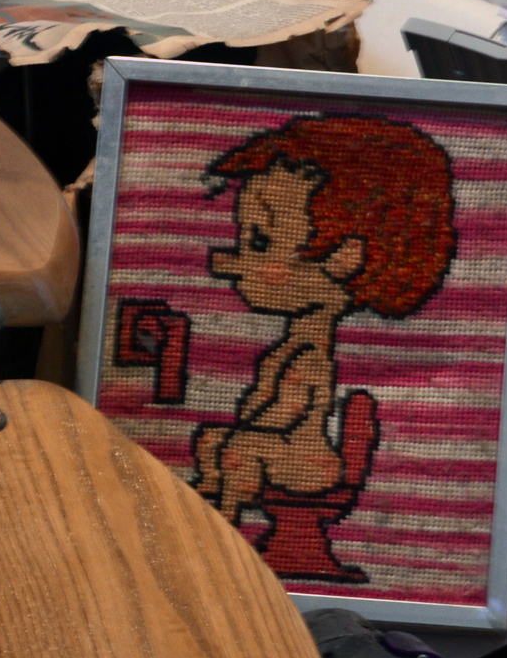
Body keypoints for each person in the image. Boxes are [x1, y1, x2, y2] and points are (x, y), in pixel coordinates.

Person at [189, 112, 458, 532]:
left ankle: (223, 525)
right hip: (281, 449)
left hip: (307, 463)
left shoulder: (309, 356)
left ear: (344, 258)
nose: (236, 260)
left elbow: (288, 410)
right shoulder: (293, 346)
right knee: (213, 440)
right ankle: (209, 497)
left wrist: (251, 428)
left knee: (239, 450)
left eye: (260, 241)